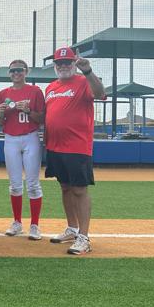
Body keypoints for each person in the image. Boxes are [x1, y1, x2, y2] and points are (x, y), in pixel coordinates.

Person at [45, 47, 105, 255]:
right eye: (59, 63)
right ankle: (72, 228)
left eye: (67, 62)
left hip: (77, 146)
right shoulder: (51, 87)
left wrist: (88, 71)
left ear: (74, 63)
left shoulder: (83, 81)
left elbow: (100, 93)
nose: (63, 66)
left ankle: (84, 237)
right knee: (65, 187)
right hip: (55, 146)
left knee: (79, 190)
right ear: (55, 65)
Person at [0, 60, 45, 240]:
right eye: (13, 71)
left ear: (26, 72)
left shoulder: (35, 91)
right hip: (10, 138)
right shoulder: (3, 94)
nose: (16, 73)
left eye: (19, 70)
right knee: (15, 184)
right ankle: (17, 222)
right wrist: (1, 112)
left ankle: (34, 225)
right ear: (9, 73)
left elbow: (42, 118)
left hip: (30, 136)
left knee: (33, 183)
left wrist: (29, 110)